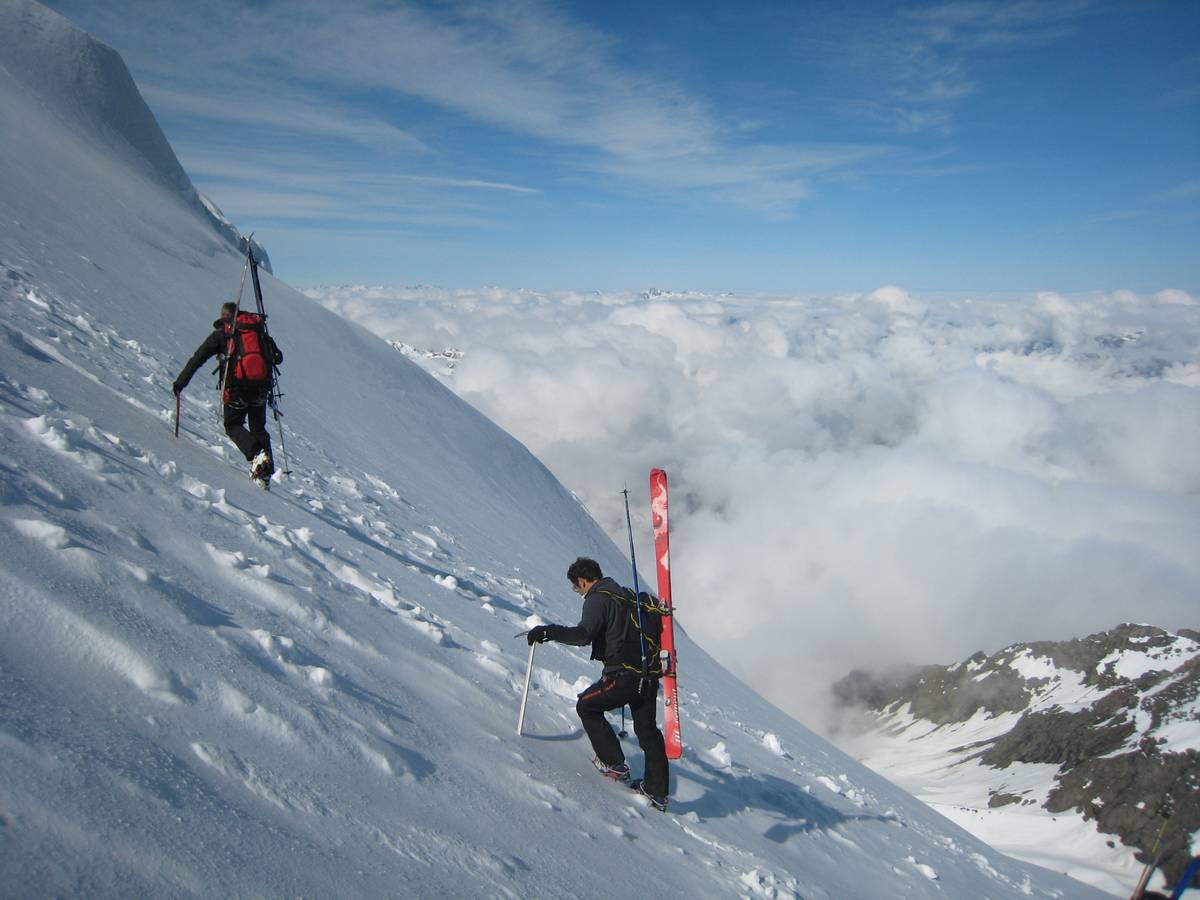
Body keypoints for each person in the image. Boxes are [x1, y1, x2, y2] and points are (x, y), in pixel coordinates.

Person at [527, 557, 670, 811]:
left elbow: (584, 635)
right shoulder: (624, 594)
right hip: (647, 675)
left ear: (582, 580)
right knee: (648, 732)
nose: (578, 592)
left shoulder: (597, 597)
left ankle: (613, 762)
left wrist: (548, 632)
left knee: (587, 706)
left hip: (623, 675)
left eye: (577, 587)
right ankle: (657, 791)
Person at [173, 301, 282, 486]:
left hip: (236, 389)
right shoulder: (257, 330)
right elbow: (278, 358)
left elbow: (197, 358)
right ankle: (265, 471)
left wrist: (180, 382)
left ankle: (257, 455)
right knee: (258, 428)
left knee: (233, 424)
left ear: (224, 316)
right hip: (261, 388)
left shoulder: (223, 334)